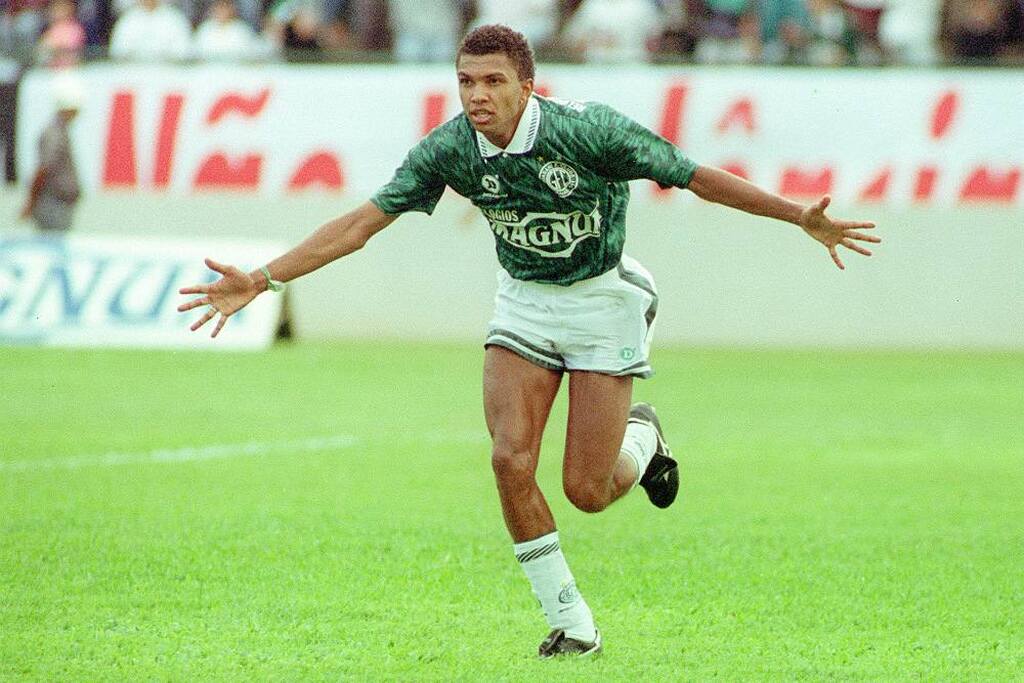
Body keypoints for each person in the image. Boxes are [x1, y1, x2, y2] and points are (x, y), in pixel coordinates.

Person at [178, 24, 879, 658]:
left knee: (588, 490)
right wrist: (265, 277)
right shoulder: (451, 148)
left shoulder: (589, 132)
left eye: (492, 82)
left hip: (604, 299)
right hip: (524, 305)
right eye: (466, 81)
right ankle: (573, 624)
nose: (477, 96)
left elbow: (694, 175)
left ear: (526, 87)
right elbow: (361, 223)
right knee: (510, 458)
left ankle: (643, 440)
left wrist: (797, 216)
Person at [20, 79, 81, 232]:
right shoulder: (53, 134)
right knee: (52, 246)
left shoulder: (59, 131)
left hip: (58, 202)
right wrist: (31, 202)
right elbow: (43, 169)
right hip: (53, 202)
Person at [109, 0, 190, 62]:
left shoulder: (174, 18)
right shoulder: (128, 20)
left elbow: (184, 53)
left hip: (168, 75)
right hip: (134, 75)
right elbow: (117, 52)